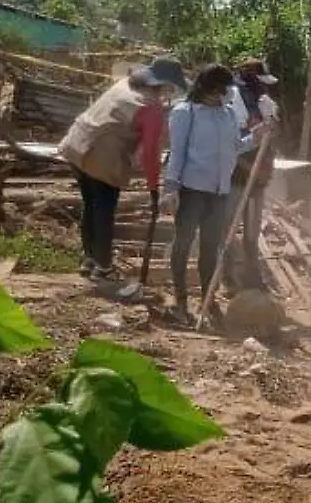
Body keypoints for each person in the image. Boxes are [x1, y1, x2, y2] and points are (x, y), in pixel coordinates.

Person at [57, 58, 187, 279]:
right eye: (170, 88)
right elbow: (150, 154)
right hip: (102, 156)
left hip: (77, 145)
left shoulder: (123, 85)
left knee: (91, 206)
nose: (170, 93)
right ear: (164, 85)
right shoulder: (151, 107)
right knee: (104, 211)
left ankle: (90, 259)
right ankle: (104, 268)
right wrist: (154, 187)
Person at [162, 64, 255, 324]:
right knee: (182, 244)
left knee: (210, 249)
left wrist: (256, 137)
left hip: (219, 192)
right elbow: (177, 152)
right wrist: (171, 188)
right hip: (192, 190)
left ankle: (208, 300)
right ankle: (180, 301)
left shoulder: (227, 114)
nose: (228, 94)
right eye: (223, 89)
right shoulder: (185, 113)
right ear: (209, 88)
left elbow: (235, 147)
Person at [230, 57, 280, 287]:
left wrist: (266, 167)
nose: (264, 86)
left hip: (257, 179)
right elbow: (230, 146)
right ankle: (228, 276)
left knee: (252, 231)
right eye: (260, 81)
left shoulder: (264, 102)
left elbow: (269, 139)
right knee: (228, 228)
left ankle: (252, 276)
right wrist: (250, 169)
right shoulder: (232, 100)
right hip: (235, 177)